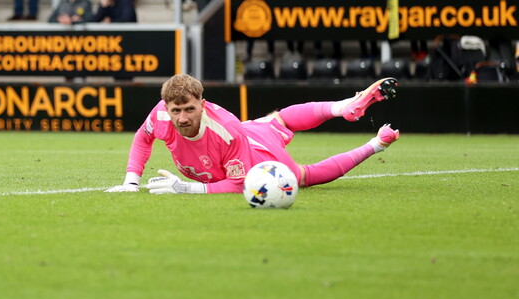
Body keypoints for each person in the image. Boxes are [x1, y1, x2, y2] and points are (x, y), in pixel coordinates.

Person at [107, 74, 399, 195]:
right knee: (280, 119)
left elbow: (238, 185)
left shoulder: (226, 131)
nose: (182, 118)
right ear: (167, 107)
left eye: (189, 109)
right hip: (250, 128)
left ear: (203, 105)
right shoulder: (160, 113)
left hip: (257, 154)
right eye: (176, 111)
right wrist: (131, 182)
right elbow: (142, 137)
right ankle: (343, 106)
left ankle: (375, 145)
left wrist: (188, 188)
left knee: (301, 176)